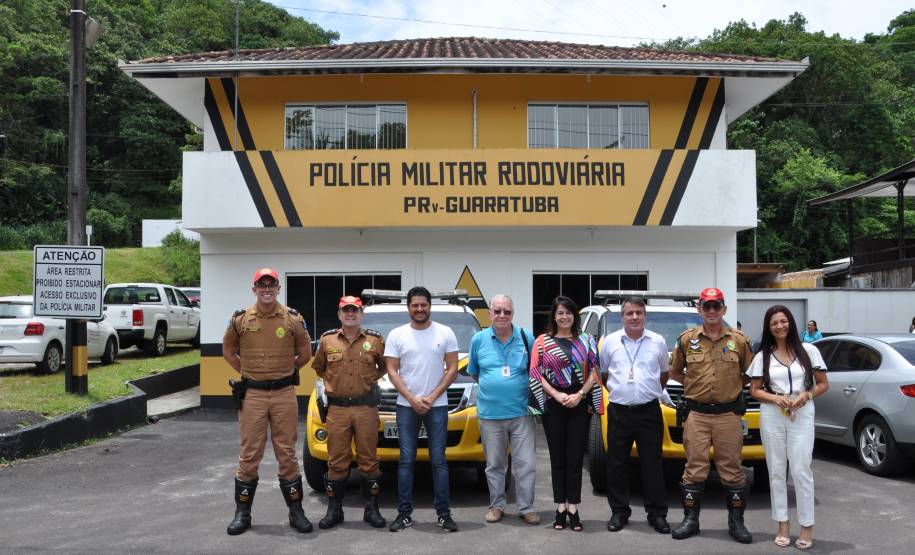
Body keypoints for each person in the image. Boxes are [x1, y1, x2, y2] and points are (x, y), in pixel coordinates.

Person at [222, 268, 313, 535]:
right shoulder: (240, 319)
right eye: (261, 285)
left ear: (278, 288)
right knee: (250, 454)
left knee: (287, 454)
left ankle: (296, 513)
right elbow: (228, 351)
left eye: (271, 284)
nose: (266, 289)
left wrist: (285, 370)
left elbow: (305, 354)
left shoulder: (292, 319)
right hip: (253, 395)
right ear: (254, 289)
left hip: (284, 393)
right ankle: (242, 514)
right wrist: (247, 370)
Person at [668, 287, 754, 543]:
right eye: (707, 306)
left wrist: (733, 386)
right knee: (694, 468)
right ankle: (690, 520)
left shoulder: (739, 340)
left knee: (733, 470)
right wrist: (696, 385)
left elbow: (751, 372)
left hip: (728, 415)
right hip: (697, 415)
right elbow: (675, 373)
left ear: (724, 309)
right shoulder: (687, 339)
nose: (712, 310)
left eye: (717, 306)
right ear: (700, 309)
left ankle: (736, 523)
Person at [748, 305, 829, 550]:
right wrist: (775, 399)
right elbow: (754, 389)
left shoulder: (809, 351)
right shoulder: (763, 355)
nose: (780, 326)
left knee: (801, 469)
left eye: (783, 321)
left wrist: (806, 395)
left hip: (802, 413)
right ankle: (782, 524)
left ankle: (807, 526)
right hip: (773, 414)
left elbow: (823, 384)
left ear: (790, 322)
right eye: (774, 323)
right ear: (768, 327)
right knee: (776, 470)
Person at [384, 286, 460, 533]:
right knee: (406, 461)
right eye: (415, 305)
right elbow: (392, 370)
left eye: (423, 305)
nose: (419, 309)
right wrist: (412, 398)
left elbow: (452, 369)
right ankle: (404, 514)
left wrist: (431, 397)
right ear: (408, 308)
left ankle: (444, 514)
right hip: (406, 406)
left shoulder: (445, 332)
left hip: (437, 406)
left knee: (439, 461)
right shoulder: (397, 334)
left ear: (429, 306)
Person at [310, 295, 387, 529]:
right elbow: (319, 369)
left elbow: (384, 366)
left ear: (361, 314)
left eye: (355, 310)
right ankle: (335, 510)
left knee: (369, 461)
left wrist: (368, 380)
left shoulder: (374, 341)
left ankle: (371, 510)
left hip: (366, 408)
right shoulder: (327, 340)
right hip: (338, 410)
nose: (350, 314)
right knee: (336, 462)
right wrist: (338, 384)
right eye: (346, 310)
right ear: (339, 314)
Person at [529, 296, 603, 532]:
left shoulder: (587, 340)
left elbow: (595, 370)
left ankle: (574, 507)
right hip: (554, 405)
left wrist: (580, 394)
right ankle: (560, 506)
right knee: (557, 458)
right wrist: (556, 394)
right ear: (554, 316)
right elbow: (535, 372)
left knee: (574, 459)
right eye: (560, 313)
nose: (564, 317)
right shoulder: (542, 341)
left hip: (579, 404)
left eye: (568, 313)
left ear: (575, 316)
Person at [598, 297, 670, 534]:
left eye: (639, 312)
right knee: (616, 464)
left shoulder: (657, 342)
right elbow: (605, 374)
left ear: (645, 315)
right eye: (629, 313)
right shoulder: (610, 342)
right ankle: (619, 512)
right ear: (622, 317)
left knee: (653, 464)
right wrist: (623, 392)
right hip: (619, 411)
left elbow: (663, 375)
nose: (635, 317)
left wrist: (647, 392)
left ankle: (657, 514)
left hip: (649, 411)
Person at [467, 294, 539, 525]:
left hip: (522, 413)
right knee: (495, 464)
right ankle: (496, 505)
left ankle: (526, 508)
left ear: (512, 314)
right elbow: (475, 372)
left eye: (506, 311)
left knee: (526, 464)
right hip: (490, 415)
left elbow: (536, 371)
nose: (502, 316)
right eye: (497, 311)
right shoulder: (478, 340)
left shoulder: (526, 337)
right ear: (489, 313)